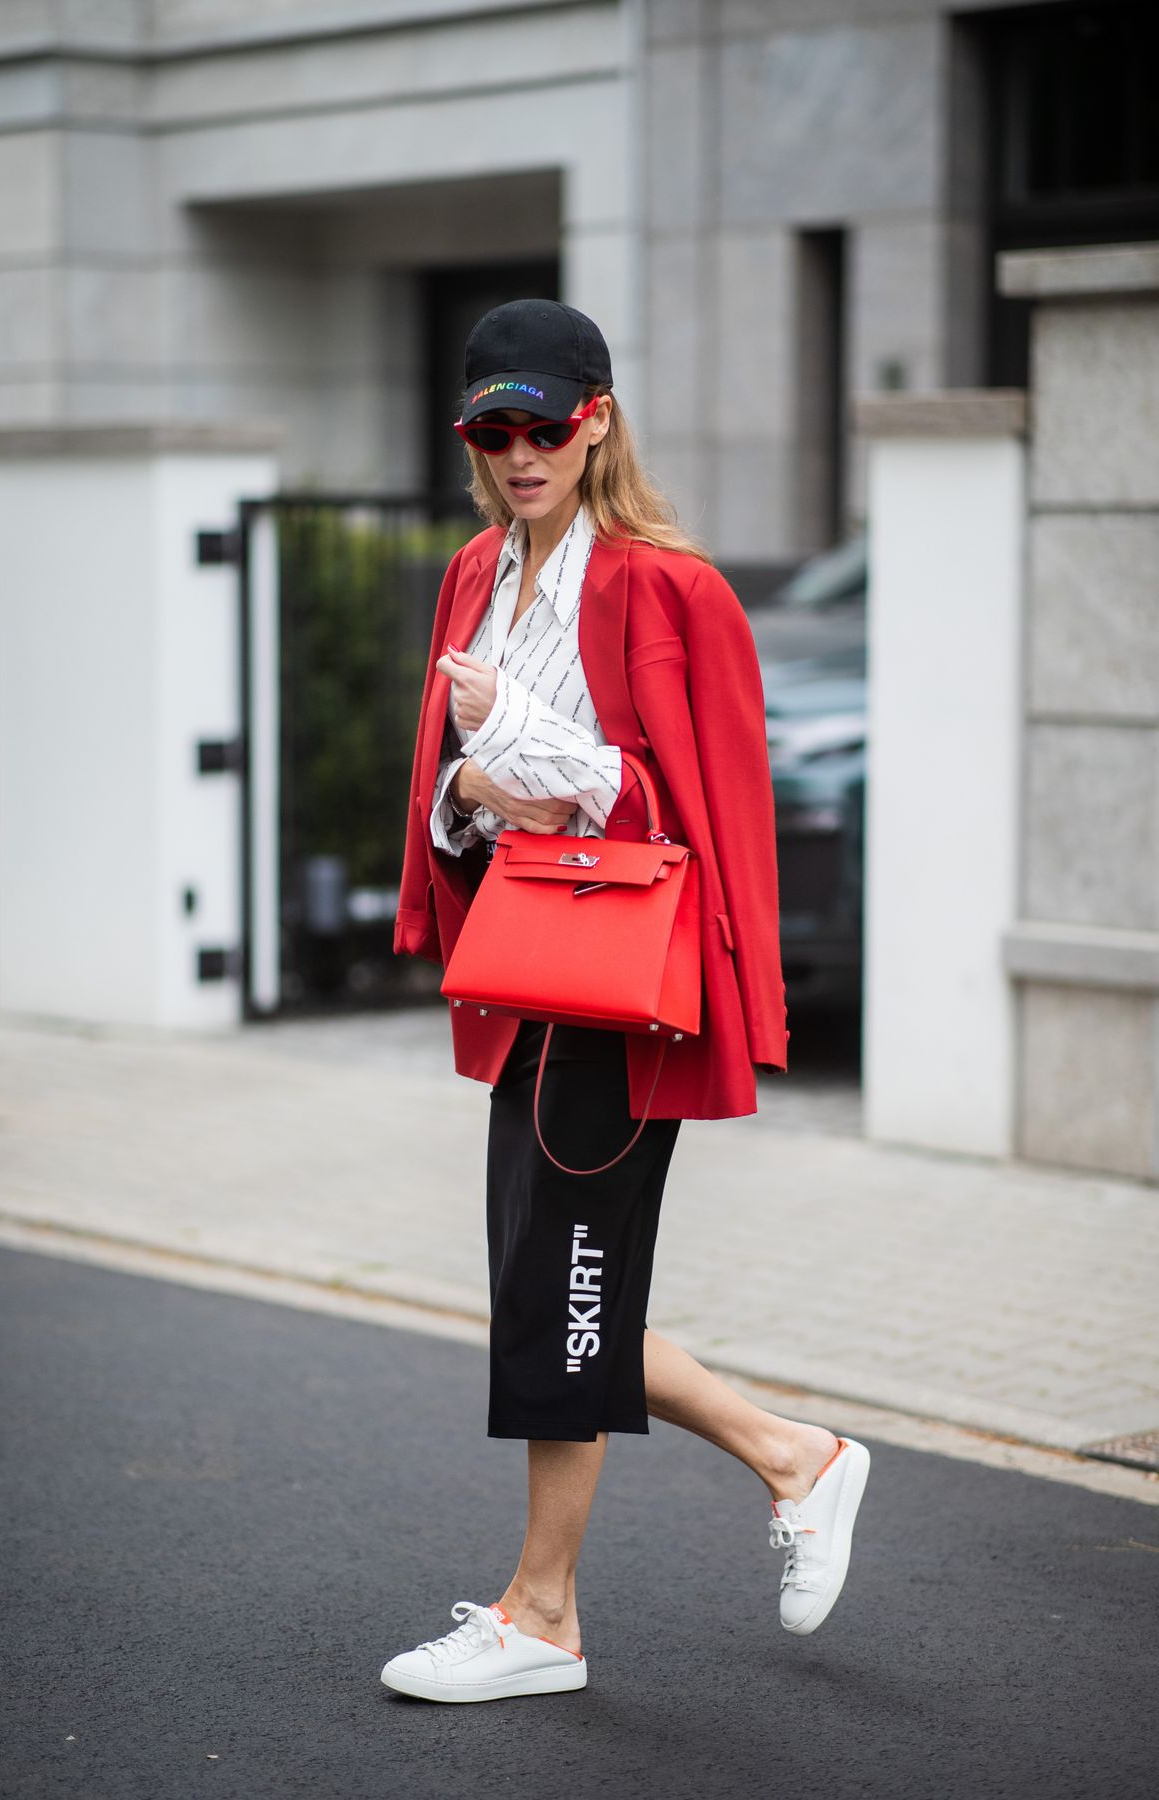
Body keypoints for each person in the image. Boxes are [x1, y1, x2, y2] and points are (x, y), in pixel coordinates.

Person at [384, 299, 869, 1703]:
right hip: (531, 976)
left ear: (595, 419)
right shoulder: (476, 575)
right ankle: (800, 1459)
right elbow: (446, 800)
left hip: (625, 989)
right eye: (496, 429)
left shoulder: (672, 588)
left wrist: (546, 756)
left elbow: (713, 814)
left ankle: (543, 1619)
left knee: (558, 1294)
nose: (522, 452)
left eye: (547, 424)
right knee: (551, 1295)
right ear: (473, 439)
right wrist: (475, 792)